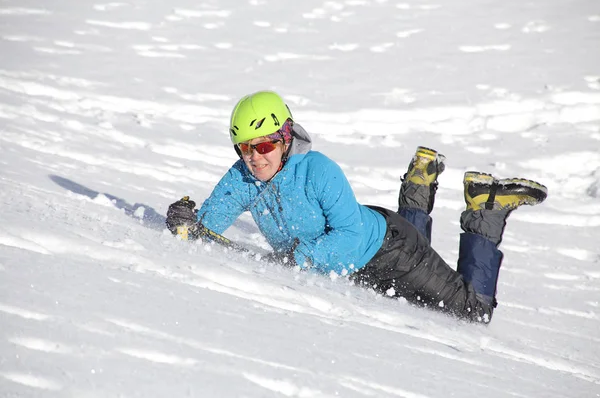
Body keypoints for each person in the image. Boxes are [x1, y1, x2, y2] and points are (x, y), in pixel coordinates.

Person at [166, 91, 547, 323]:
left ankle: (487, 208)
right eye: (244, 148)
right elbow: (206, 229)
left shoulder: (318, 170)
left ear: (284, 137)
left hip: (391, 250)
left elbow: (348, 235)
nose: (254, 158)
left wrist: (301, 258)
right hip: (354, 264)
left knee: (471, 313)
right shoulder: (243, 178)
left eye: (263, 145)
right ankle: (420, 180)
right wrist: (185, 222)